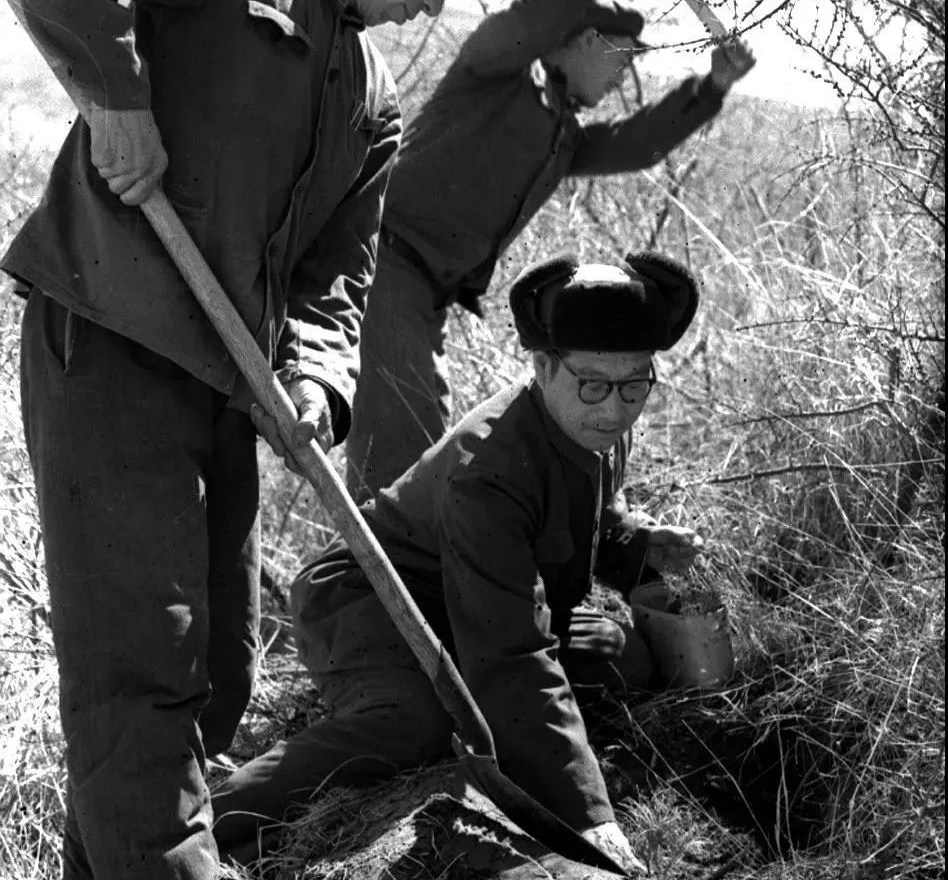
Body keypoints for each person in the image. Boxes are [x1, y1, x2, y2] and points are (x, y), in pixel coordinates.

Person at [0, 0, 514, 880]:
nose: (436, 5)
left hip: (226, 394)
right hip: (111, 347)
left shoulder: (372, 98)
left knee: (219, 669)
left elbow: (340, 277)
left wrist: (315, 377)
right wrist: (115, 95)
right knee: (145, 661)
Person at [213, 248, 705, 875]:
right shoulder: (488, 471)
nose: (614, 408)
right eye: (594, 385)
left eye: (636, 385)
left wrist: (637, 542)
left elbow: (584, 513)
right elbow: (510, 655)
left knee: (622, 657)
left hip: (476, 603)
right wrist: (591, 821)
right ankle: (213, 824)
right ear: (543, 366)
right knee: (412, 723)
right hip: (374, 597)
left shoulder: (596, 417)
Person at [346, 0, 755, 496]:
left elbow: (634, 147)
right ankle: (382, 579)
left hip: (422, 295)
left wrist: (713, 87)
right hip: (387, 263)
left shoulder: (560, 137)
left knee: (407, 446)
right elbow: (541, 14)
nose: (622, 79)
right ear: (583, 40)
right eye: (618, 60)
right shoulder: (493, 75)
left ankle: (387, 572)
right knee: (410, 450)